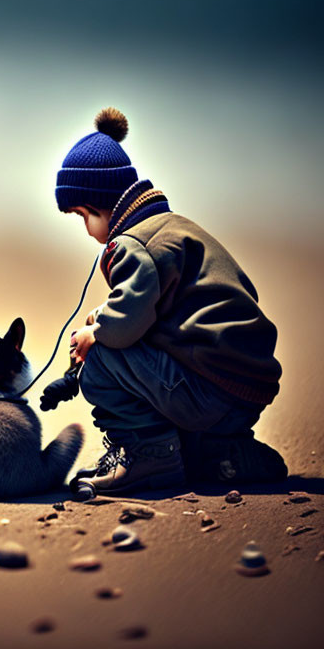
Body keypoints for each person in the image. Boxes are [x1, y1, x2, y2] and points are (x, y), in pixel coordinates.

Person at [53, 107, 287, 496]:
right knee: (196, 454)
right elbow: (161, 307)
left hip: (206, 392)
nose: (86, 228)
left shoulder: (132, 244)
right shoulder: (174, 229)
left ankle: (148, 455)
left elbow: (125, 327)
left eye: (83, 216)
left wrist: (95, 333)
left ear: (100, 206)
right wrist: (105, 317)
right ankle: (225, 451)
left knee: (100, 361)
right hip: (241, 389)